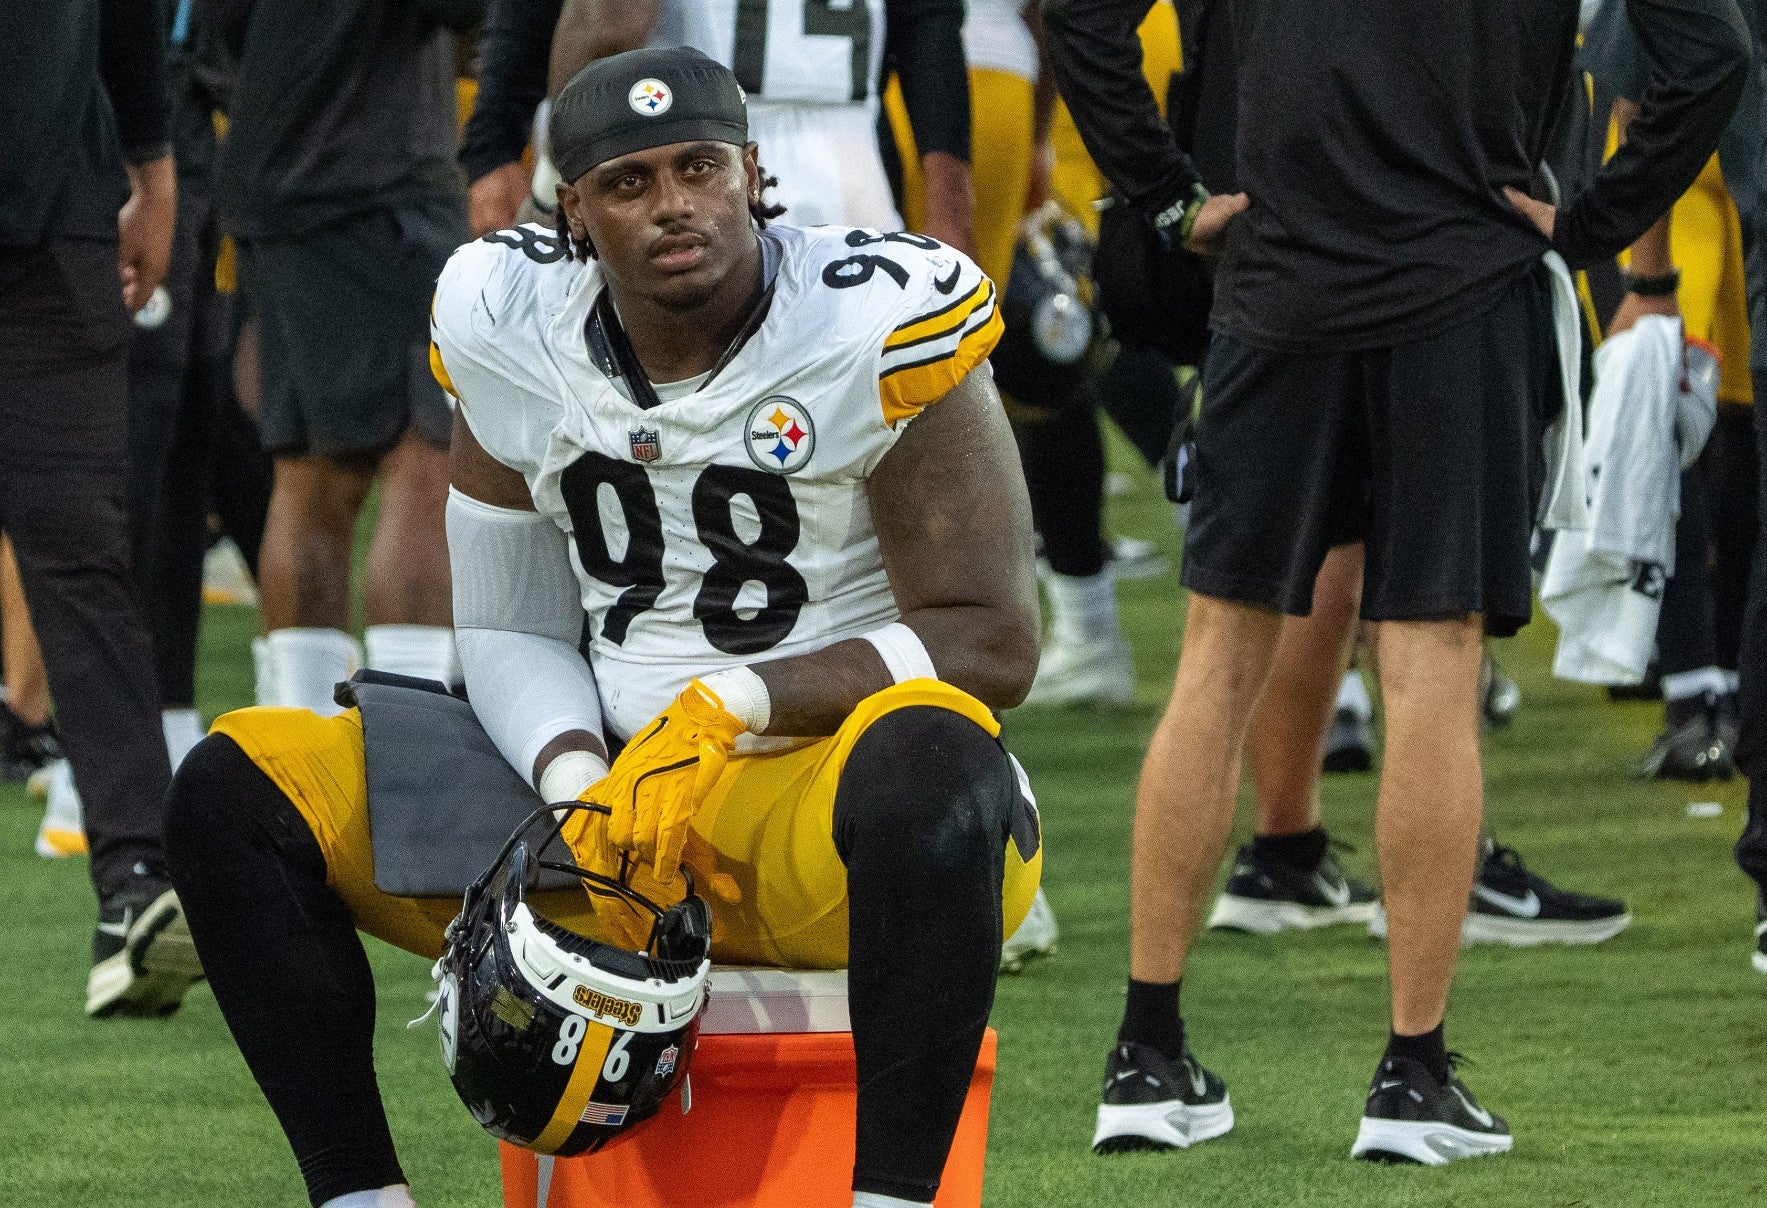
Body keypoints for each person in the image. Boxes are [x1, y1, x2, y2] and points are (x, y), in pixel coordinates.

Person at [165, 48, 1043, 1208]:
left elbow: (991, 635)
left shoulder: (871, 316)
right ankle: (363, 1196)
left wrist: (735, 701)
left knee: (937, 757)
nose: (674, 203)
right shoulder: (509, 318)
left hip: (818, 804)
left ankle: (890, 1199)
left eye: (699, 168)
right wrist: (576, 779)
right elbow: (508, 624)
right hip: (598, 805)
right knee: (236, 785)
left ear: (753, 174)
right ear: (572, 209)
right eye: (629, 182)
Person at [1046, 0, 1748, 1163]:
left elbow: (1082, 18)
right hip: (1462, 291)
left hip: (1280, 286)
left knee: (1217, 658)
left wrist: (1167, 194)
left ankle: (1145, 1048)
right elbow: (1712, 53)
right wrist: (1598, 220)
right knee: (1433, 660)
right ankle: (1412, 1071)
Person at [0, 0, 212, 1017]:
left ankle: (137, 884)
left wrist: (150, 164)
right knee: (82, 552)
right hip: (58, 202)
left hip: (55, 213)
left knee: (83, 543)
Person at [211, 0, 483, 714]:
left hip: (277, 174)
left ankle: (297, 742)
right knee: (425, 463)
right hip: (380, 180)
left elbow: (218, 30)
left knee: (310, 479)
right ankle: (407, 736)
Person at [463, 0, 976, 251]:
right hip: (853, 170)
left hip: (679, 151)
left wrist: (521, 161)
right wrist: (949, 208)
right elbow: (928, 21)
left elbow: (613, 25)